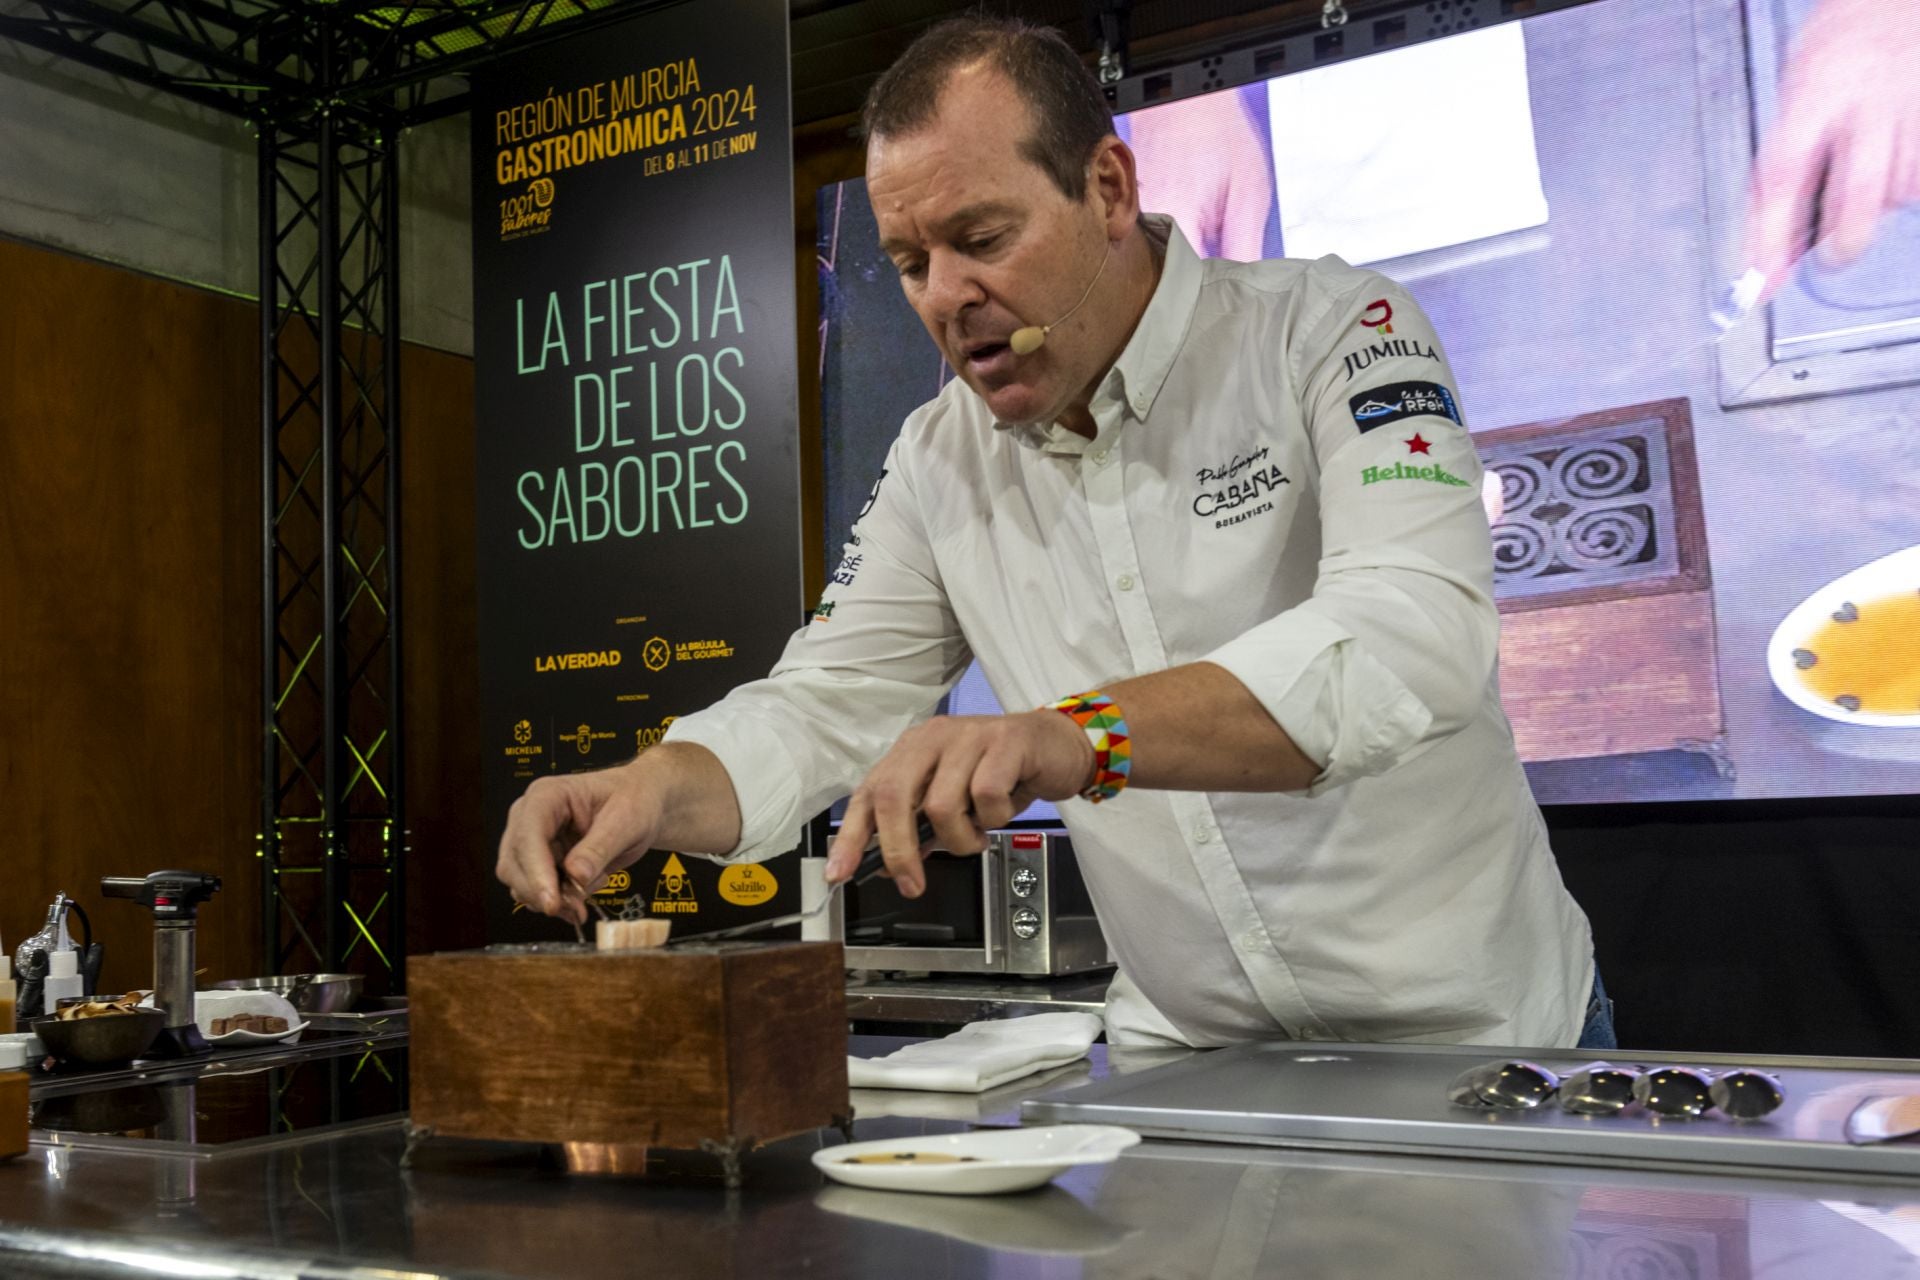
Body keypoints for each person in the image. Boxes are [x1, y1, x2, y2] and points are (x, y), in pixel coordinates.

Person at [496, 16, 1607, 1050]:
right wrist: (652, 785)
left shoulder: (1334, 330)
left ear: (1108, 187)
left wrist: (1075, 736)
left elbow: (1412, 636)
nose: (947, 296)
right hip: (1193, 1067)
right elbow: (822, 701)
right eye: (911, 261)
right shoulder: (939, 459)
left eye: (981, 236)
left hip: (1477, 1044)